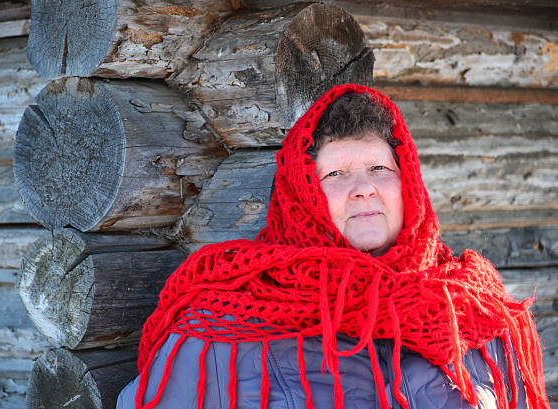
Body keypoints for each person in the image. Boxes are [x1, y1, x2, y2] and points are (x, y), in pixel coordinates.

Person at [117, 85, 549, 409]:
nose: (363, 189)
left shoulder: (475, 309)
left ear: (408, 184)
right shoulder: (224, 324)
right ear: (303, 199)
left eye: (379, 168)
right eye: (336, 175)